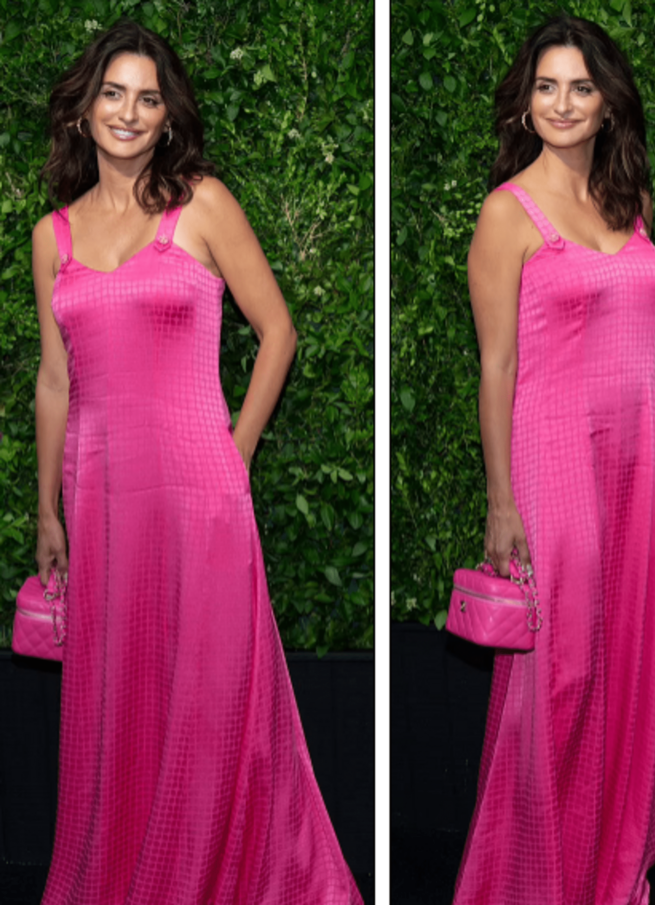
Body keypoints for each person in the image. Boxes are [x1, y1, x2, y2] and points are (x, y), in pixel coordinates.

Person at [33, 20, 362, 905]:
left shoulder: (202, 204)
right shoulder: (51, 237)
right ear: (83, 111)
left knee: (210, 700)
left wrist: (235, 453)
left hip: (198, 488)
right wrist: (47, 512)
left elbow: (279, 331)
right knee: (120, 707)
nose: (129, 113)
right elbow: (54, 382)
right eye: (112, 94)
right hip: (100, 499)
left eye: (147, 97)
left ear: (168, 115)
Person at [455, 15, 655, 905]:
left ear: (607, 105)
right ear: (526, 103)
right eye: (547, 86)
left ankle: (610, 862)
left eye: (581, 87)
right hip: (555, 459)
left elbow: (634, 311)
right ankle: (531, 878)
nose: (562, 104)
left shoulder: (624, 198)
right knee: (560, 676)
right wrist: (500, 499)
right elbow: (497, 364)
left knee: (633, 663)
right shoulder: (506, 211)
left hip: (642, 456)